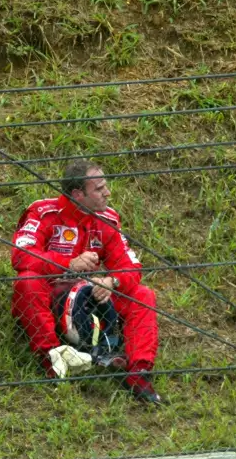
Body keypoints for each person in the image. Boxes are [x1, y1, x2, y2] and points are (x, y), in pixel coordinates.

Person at [11, 160, 162, 404]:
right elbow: (20, 256)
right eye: (99, 189)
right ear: (78, 194)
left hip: (89, 299)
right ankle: (52, 357)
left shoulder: (108, 219)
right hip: (48, 299)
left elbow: (131, 266)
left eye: (105, 187)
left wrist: (110, 281)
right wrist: (67, 264)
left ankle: (138, 372)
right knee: (27, 281)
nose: (107, 193)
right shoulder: (43, 212)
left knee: (143, 294)